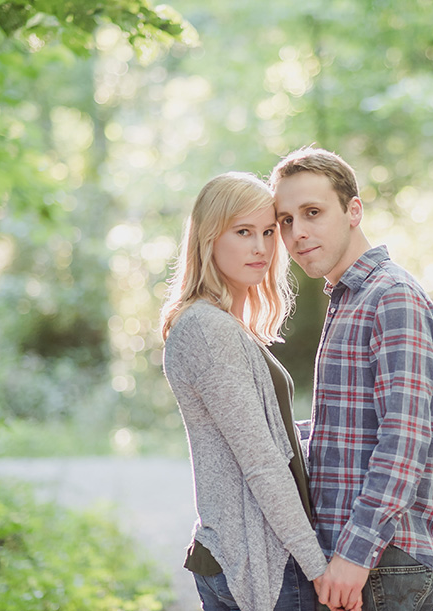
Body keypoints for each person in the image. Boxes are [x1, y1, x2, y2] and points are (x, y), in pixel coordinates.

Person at [270, 149, 433, 611]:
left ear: (354, 210)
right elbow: (347, 431)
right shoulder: (349, 299)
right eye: (286, 220)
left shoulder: (392, 297)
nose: (298, 233)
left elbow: (405, 440)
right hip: (357, 554)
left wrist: (356, 554)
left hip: (383, 562)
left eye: (313, 212)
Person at [160, 171, 328, 611]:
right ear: (209, 238)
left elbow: (260, 434)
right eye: (243, 232)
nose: (262, 247)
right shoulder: (207, 329)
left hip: (246, 555)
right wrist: (318, 567)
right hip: (260, 562)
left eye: (269, 231)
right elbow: (261, 464)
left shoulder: (225, 326)